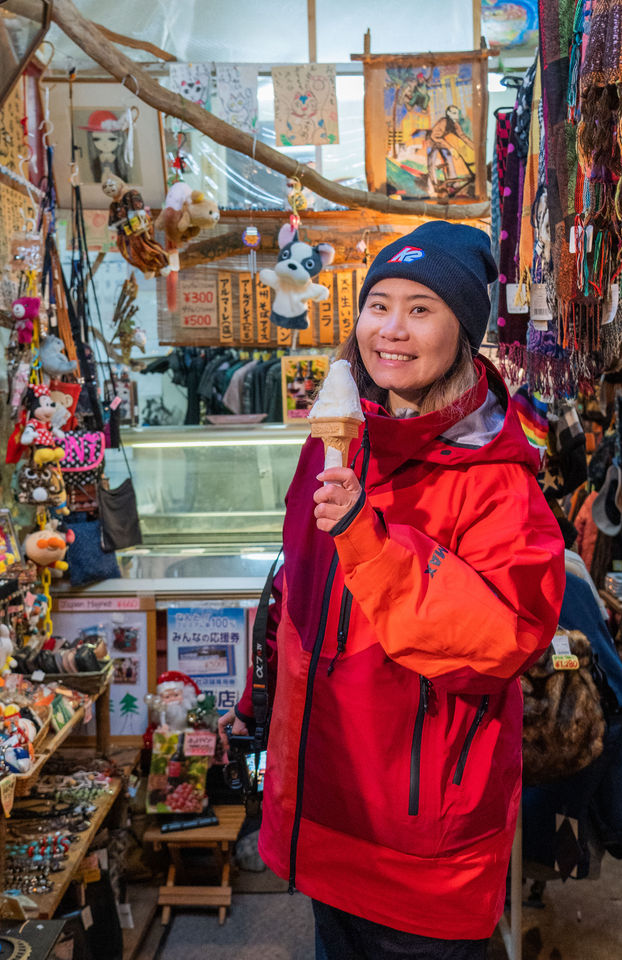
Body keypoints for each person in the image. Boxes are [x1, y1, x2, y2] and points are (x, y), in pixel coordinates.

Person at [220, 221, 565, 960]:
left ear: (463, 331)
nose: (391, 330)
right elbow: (303, 603)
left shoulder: (496, 479)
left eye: (421, 308)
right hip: (322, 799)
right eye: (379, 304)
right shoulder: (335, 443)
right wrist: (257, 708)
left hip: (417, 837)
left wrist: (371, 540)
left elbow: (502, 644)